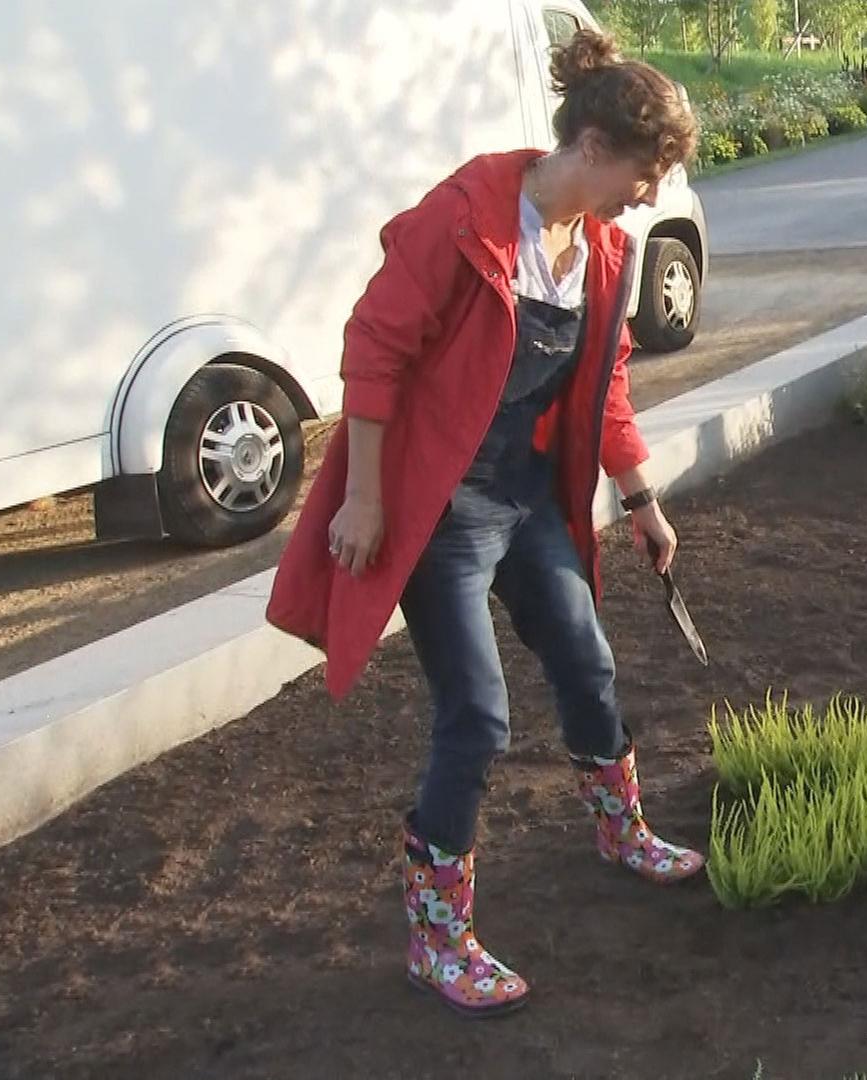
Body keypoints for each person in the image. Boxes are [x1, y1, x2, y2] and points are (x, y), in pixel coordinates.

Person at [266, 29, 703, 1019]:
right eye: (647, 171)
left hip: (526, 495)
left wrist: (641, 501)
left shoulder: (597, 251)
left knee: (587, 662)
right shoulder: (463, 219)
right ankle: (436, 936)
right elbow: (372, 352)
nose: (650, 194)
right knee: (478, 715)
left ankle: (619, 829)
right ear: (592, 147)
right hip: (441, 509)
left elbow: (607, 388)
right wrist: (368, 498)